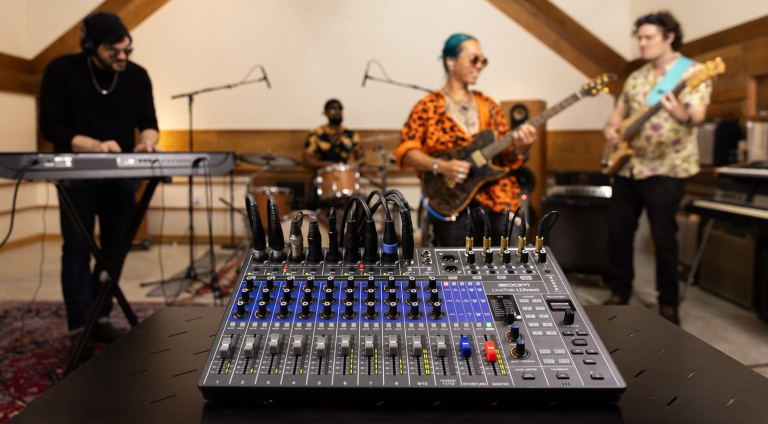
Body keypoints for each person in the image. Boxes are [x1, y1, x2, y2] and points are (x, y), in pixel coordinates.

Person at [39, 12, 160, 360]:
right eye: (114, 51)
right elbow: (51, 127)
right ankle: (80, 326)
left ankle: (100, 316)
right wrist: (95, 145)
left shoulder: (137, 76)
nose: (123, 56)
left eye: (127, 49)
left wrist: (147, 143)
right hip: (76, 174)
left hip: (121, 176)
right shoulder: (61, 70)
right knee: (77, 247)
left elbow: (149, 122)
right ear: (90, 46)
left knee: (115, 248)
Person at [602, 11, 712, 325]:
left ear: (669, 37)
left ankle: (668, 303)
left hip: (666, 168)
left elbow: (698, 115)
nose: (642, 43)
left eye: (649, 37)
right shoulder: (636, 77)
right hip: (628, 166)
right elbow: (618, 113)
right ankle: (619, 292)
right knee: (619, 232)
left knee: (663, 239)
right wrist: (610, 129)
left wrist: (681, 114)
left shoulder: (692, 71)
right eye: (639, 37)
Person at [395, 33, 536, 246]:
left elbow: (506, 157)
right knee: (458, 262)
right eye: (474, 59)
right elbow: (407, 151)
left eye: (483, 61)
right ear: (450, 62)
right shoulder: (428, 107)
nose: (479, 65)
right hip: (452, 201)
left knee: (509, 259)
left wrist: (522, 148)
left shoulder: (488, 105)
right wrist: (441, 166)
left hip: (497, 199)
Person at [302, 99, 362, 209]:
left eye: (340, 108)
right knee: (312, 200)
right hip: (323, 180)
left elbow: (361, 159)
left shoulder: (351, 134)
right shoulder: (317, 133)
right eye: (333, 109)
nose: (337, 112)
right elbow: (306, 160)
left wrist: (351, 168)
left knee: (361, 203)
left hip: (346, 180)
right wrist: (329, 165)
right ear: (325, 113)